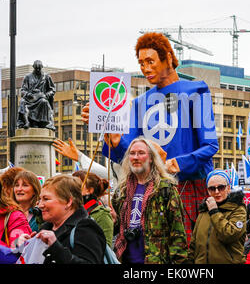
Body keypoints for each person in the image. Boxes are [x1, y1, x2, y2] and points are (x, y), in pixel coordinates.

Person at [82, 32, 219, 241]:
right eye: (141, 63)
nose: (145, 68)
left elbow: (210, 146)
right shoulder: (139, 103)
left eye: (150, 61)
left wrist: (177, 163)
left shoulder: (197, 91)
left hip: (189, 187)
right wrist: (114, 138)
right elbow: (127, 155)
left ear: (168, 59)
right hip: (149, 189)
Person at [112, 137, 187, 264]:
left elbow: (177, 233)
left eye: (141, 153)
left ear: (151, 158)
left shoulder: (165, 189)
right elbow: (116, 230)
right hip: (125, 259)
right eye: (132, 153)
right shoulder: (121, 191)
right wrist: (113, 220)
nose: (135, 157)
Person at [17, 174, 106, 264]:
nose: (40, 205)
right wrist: (24, 246)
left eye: (46, 199)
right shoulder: (46, 227)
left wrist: (55, 247)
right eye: (40, 199)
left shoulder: (85, 228)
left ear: (68, 202)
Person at [188, 169, 247, 264]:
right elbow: (194, 243)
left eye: (221, 187)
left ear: (228, 188)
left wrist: (214, 212)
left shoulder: (238, 209)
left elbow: (228, 235)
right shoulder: (204, 211)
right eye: (212, 188)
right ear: (207, 191)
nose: (216, 191)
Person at [72, 170, 114, 248]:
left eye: (77, 184)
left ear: (89, 190)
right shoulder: (70, 212)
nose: (71, 188)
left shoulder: (102, 215)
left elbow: (105, 248)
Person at [17, 60, 56, 130]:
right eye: (36, 68)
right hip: (30, 98)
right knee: (22, 102)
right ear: (33, 67)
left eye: (39, 68)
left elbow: (52, 89)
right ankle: (26, 122)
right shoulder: (27, 77)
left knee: (44, 102)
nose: (38, 70)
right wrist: (28, 94)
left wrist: (48, 94)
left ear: (42, 67)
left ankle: (42, 122)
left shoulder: (46, 77)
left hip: (41, 97)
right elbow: (23, 90)